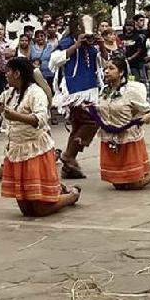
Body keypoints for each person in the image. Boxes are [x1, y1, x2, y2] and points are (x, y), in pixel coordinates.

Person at [0, 57, 82, 216]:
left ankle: (71, 195)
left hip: (34, 151)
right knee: (26, 210)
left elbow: (40, 119)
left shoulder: (36, 93)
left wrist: (16, 116)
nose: (6, 75)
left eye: (8, 72)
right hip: (16, 151)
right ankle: (58, 191)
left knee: (40, 210)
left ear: (17, 73)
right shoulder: (10, 93)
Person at [90, 59, 150, 189]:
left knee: (134, 184)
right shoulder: (104, 91)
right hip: (110, 139)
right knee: (118, 184)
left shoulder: (131, 91)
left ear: (121, 72)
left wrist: (146, 117)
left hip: (128, 139)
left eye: (111, 68)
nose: (106, 71)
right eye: (105, 68)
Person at [49, 16, 103, 180]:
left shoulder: (92, 45)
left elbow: (104, 63)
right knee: (91, 121)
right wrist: (76, 44)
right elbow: (54, 60)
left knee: (79, 124)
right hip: (74, 91)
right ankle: (68, 156)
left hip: (91, 89)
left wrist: (101, 44)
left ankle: (68, 167)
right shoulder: (67, 41)